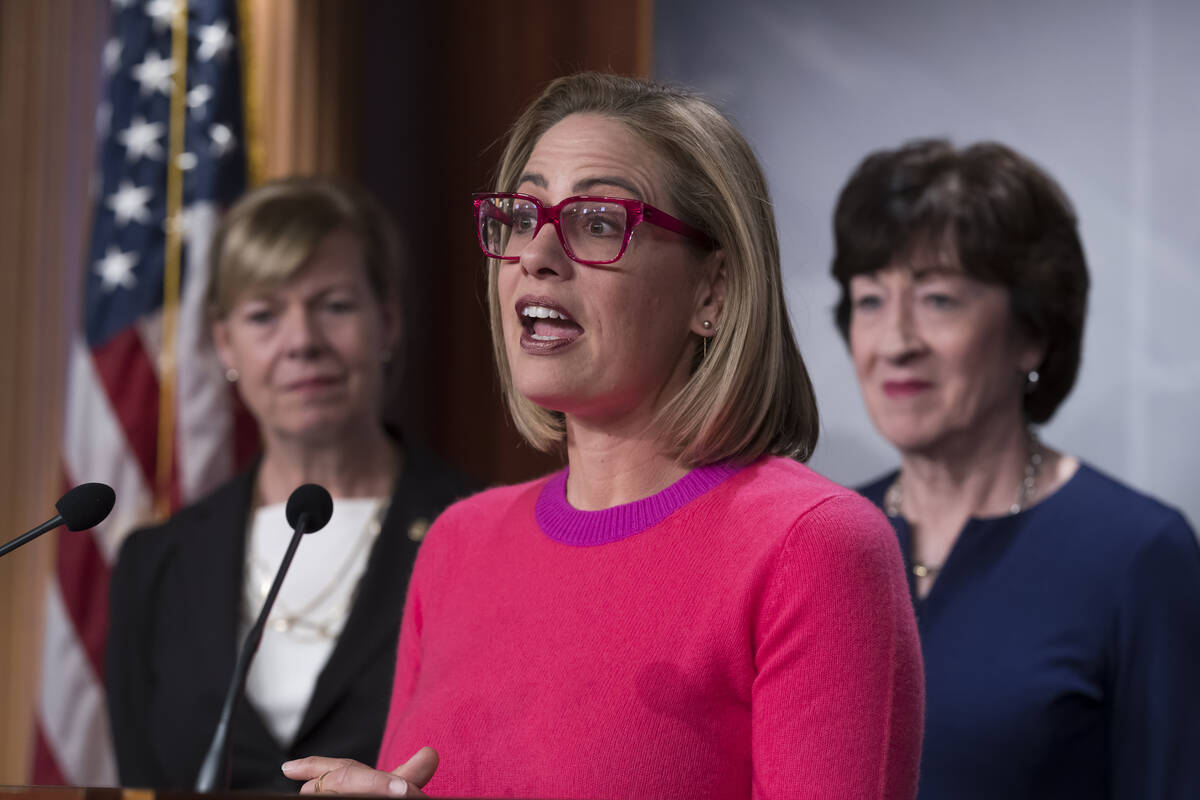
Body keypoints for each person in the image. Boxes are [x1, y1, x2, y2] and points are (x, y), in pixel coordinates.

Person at [281, 73, 923, 800]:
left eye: (595, 221)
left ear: (712, 290)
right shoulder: (458, 543)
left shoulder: (813, 547)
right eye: (521, 216)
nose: (536, 254)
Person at [830, 138, 1200, 799]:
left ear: (1032, 332)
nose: (896, 342)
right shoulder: (822, 540)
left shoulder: (1139, 555)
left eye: (938, 298)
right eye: (869, 301)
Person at [106, 177, 476, 790]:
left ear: (387, 323)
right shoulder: (156, 566)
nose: (301, 342)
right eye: (263, 315)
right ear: (226, 344)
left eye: (334, 305)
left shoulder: (478, 531)